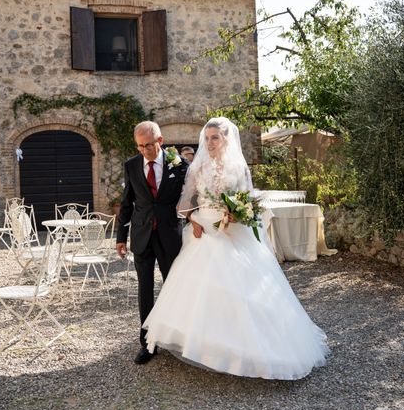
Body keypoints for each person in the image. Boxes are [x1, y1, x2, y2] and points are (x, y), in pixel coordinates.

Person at [142, 117, 329, 379]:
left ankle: (243, 348)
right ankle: (205, 343)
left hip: (233, 232)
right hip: (204, 231)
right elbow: (182, 206)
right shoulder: (197, 169)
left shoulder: (239, 168)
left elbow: (249, 204)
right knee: (201, 288)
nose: (209, 143)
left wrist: (236, 215)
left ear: (226, 139)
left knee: (243, 288)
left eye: (215, 138)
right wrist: (193, 219)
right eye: (206, 138)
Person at [116, 121, 189, 364]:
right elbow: (127, 204)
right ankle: (148, 343)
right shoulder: (131, 165)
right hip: (141, 236)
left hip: (169, 235)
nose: (145, 150)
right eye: (140, 146)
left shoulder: (178, 164)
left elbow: (192, 197)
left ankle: (176, 337)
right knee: (145, 290)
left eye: (149, 145)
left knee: (174, 288)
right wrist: (120, 238)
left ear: (160, 140)